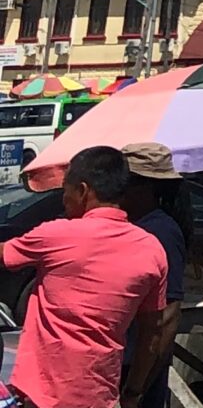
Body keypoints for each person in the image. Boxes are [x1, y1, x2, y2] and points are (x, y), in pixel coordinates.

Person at [0, 146, 168, 408]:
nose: (63, 200)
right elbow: (153, 331)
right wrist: (133, 393)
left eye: (65, 191)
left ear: (82, 190)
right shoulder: (152, 250)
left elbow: (4, 255)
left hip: (43, 394)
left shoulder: (55, 236)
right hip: (101, 395)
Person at [114, 146, 186, 408]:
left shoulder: (160, 232)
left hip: (136, 370)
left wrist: (136, 390)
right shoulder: (133, 227)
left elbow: (167, 316)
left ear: (142, 188)